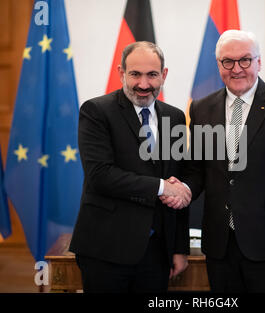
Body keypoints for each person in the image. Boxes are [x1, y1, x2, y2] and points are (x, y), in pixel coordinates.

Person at [162, 30, 265, 292]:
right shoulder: (201, 108)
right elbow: (198, 168)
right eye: (227, 62)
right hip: (220, 246)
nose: (237, 69)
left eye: (244, 60)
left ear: (259, 62)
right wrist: (183, 188)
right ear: (219, 64)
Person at [69, 41, 191, 293]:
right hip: (106, 249)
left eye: (152, 75)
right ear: (121, 73)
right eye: (135, 74)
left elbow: (176, 179)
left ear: (163, 75)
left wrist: (179, 248)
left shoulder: (175, 117)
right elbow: (100, 176)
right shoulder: (96, 111)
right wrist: (162, 188)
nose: (143, 84)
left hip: (157, 252)